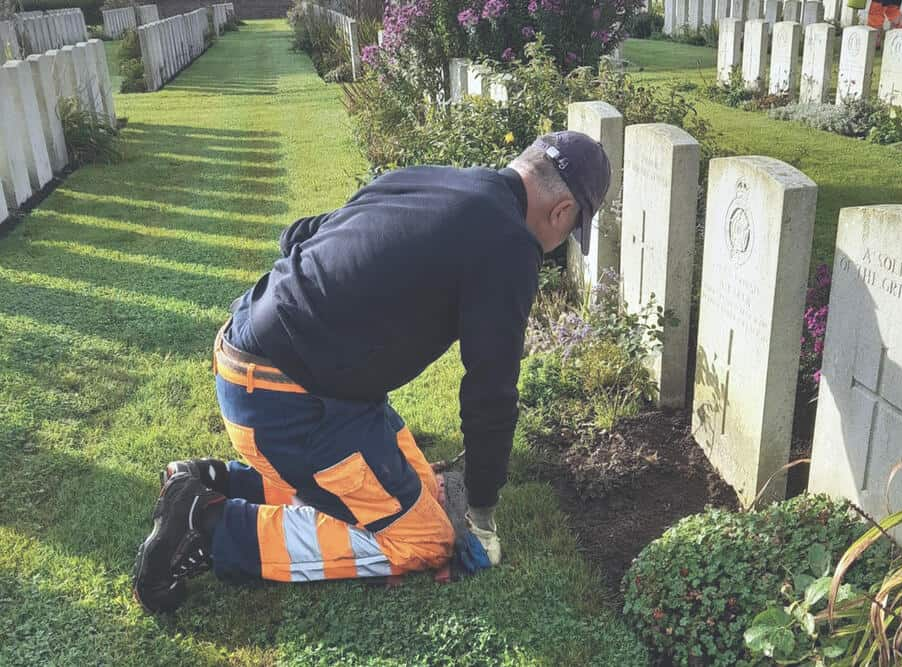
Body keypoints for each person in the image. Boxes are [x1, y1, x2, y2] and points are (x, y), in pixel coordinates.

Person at [131, 131, 612, 614]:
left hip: (264, 362)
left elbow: (298, 235)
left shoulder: (431, 179)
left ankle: (211, 480)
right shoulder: (511, 245)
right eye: (570, 232)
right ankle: (209, 526)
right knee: (426, 538)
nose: (557, 245)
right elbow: (491, 389)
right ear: (562, 210)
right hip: (289, 400)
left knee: (424, 488)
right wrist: (482, 513)